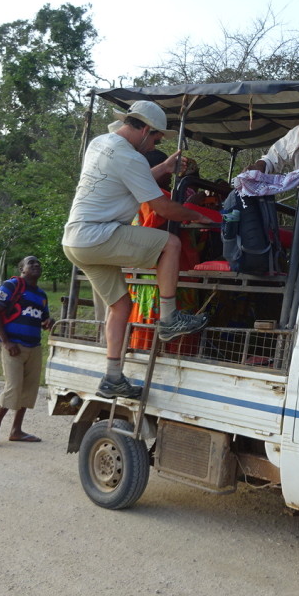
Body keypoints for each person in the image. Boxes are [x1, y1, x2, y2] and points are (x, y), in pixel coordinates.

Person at [62, 100, 214, 400]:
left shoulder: (100, 143)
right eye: (156, 138)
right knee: (169, 244)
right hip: (98, 235)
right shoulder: (131, 159)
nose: (155, 143)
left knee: (120, 307)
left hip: (75, 241)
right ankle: (170, 319)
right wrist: (197, 215)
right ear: (145, 129)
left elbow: (130, 176)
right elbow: (161, 207)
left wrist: (165, 167)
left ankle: (113, 377)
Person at [0, 255, 53, 447]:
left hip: (34, 348)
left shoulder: (41, 295)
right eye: (31, 262)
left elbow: (43, 319)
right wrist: (6, 342)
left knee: (28, 390)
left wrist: (49, 322)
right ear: (21, 268)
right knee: (13, 388)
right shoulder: (11, 286)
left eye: (38, 262)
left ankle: (16, 430)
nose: (36, 264)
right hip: (13, 347)